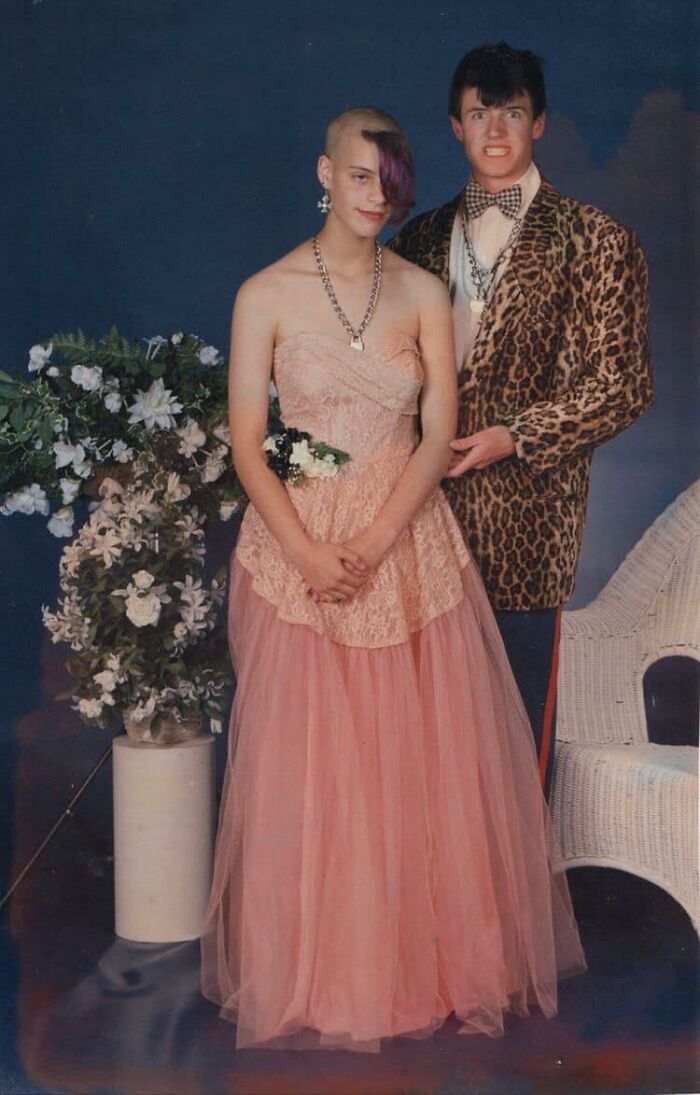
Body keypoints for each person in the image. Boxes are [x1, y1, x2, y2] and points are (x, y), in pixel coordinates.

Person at [200, 106, 585, 1053]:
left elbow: (429, 436)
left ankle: (420, 968)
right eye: (361, 176)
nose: (378, 196)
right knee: (309, 771)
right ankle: (320, 971)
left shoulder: (422, 293)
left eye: (392, 181)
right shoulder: (265, 294)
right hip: (296, 550)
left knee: (411, 769)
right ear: (323, 173)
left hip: (407, 542)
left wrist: (372, 536)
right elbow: (250, 441)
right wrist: (306, 541)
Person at [388, 43, 653, 798]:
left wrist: (518, 435)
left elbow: (624, 383)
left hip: (527, 530)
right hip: (420, 523)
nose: (495, 130)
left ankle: (513, 917)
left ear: (538, 122)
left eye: (511, 113)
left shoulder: (599, 240)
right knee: (420, 739)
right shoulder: (411, 242)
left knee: (509, 754)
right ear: (455, 125)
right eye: (480, 113)